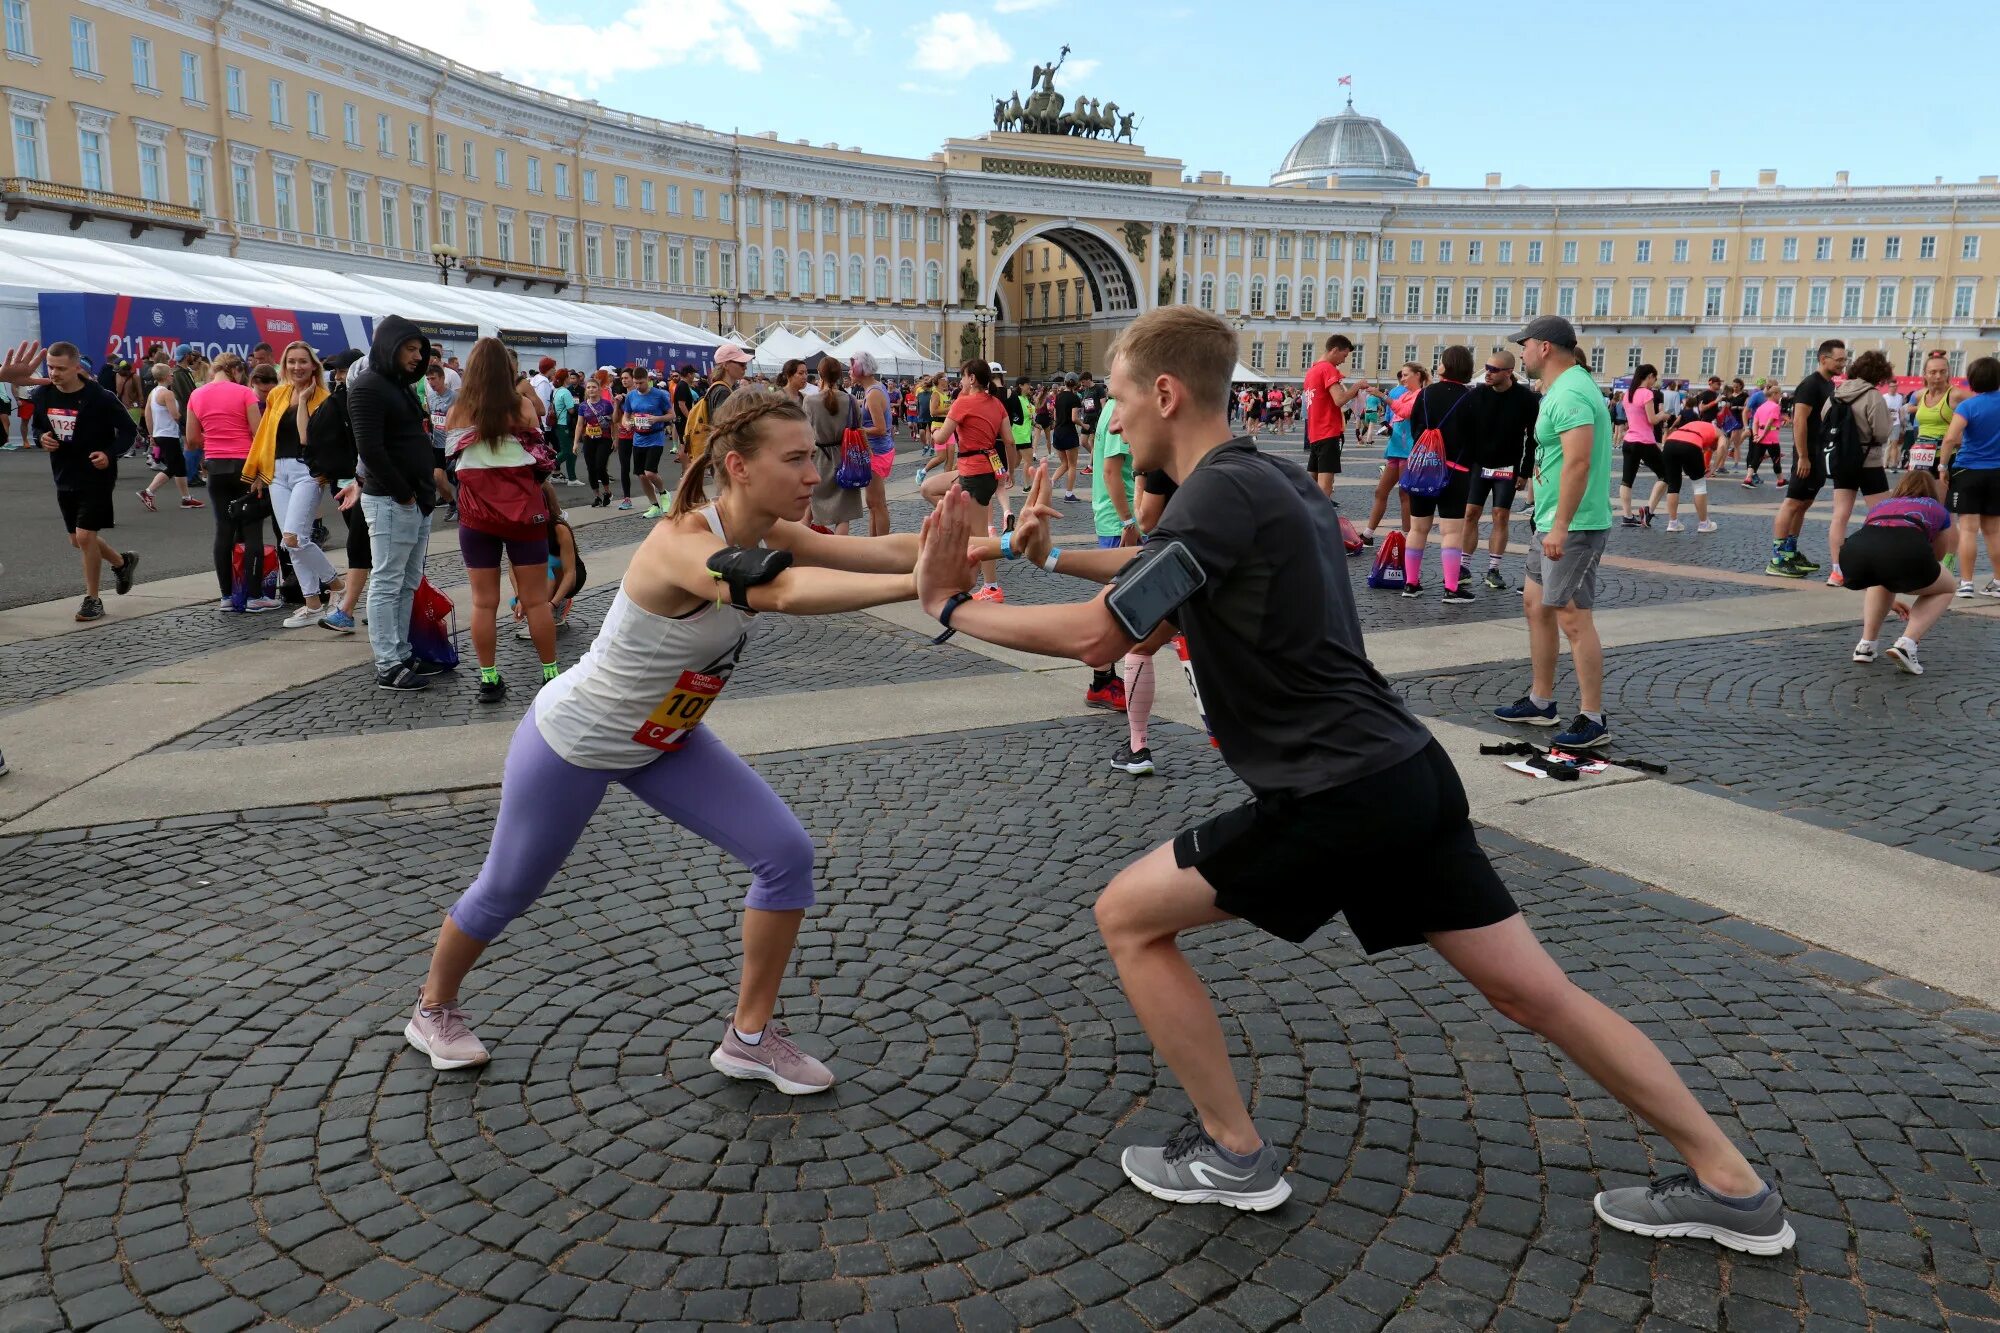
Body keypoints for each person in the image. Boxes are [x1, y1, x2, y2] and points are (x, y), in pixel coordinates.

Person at [913, 305, 1793, 1253]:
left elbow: (1103, 632)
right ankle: (1734, 1186)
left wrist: (953, 606)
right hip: (1406, 775)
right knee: (1539, 995)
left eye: (1122, 401)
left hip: (1334, 794)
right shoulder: (1270, 479)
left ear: (1165, 393)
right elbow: (1169, 570)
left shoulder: (1214, 494)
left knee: (1128, 916)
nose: (1113, 423)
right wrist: (1052, 555)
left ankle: (1231, 1151)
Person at [405, 389, 940, 1088]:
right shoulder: (683, 540)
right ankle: (432, 1008)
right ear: (739, 467)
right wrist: (919, 585)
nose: (815, 474)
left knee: (786, 854)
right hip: (578, 738)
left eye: (813, 456)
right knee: (508, 887)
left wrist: (993, 542)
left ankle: (749, 1036)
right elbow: (778, 594)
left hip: (667, 737)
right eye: (798, 458)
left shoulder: (766, 530)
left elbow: (872, 550)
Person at [1491, 316, 1614, 751]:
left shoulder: (1574, 392)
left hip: (1574, 525)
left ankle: (1593, 718)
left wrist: (1560, 525)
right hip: (1549, 520)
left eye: (1523, 345)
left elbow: (1579, 462)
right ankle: (1542, 701)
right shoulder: (1560, 389)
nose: (1519, 353)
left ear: (1544, 347)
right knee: (1536, 606)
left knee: (1573, 618)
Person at [445, 338, 560, 703]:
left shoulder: (458, 411)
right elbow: (542, 459)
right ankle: (550, 673)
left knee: (483, 602)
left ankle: (489, 678)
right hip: (524, 515)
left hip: (477, 517)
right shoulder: (523, 407)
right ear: (508, 370)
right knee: (537, 600)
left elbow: (453, 464)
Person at [350, 316, 444, 692]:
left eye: (419, 350)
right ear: (390, 347)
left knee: (406, 581)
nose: (416, 356)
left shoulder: (399, 385)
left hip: (414, 499)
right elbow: (369, 448)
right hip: (393, 500)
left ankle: (402, 652)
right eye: (410, 349)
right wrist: (403, 492)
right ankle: (388, 663)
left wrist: (419, 494)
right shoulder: (368, 387)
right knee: (388, 581)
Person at [29, 342, 140, 622]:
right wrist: (41, 437)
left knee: (85, 536)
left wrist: (109, 454)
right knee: (76, 540)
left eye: (61, 368)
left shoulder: (99, 396)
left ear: (77, 367)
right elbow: (38, 426)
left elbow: (128, 430)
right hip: (64, 473)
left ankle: (93, 599)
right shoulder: (43, 394)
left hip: (96, 473)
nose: (54, 373)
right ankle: (122, 562)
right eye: (51, 367)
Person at [242, 341, 344, 628]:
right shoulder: (277, 393)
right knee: (293, 543)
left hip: (306, 472)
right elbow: (264, 434)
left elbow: (308, 440)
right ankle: (312, 603)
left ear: (314, 365)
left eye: (302, 361)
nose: (296, 367)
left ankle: (336, 584)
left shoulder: (324, 398)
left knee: (293, 538)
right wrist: (261, 470)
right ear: (284, 365)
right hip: (277, 471)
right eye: (291, 362)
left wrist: (305, 401)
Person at [186, 353, 277, 613]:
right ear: (236, 370)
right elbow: (257, 432)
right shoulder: (244, 393)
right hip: (245, 465)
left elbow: (191, 440)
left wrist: (215, 439)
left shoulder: (197, 395)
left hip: (215, 466)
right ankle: (254, 596)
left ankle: (226, 595)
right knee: (252, 529)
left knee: (223, 529)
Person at [1845, 470, 1956, 674]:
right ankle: (1907, 643)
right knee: (1947, 587)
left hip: (1854, 555)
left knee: (1881, 574)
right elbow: (1938, 556)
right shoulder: (1937, 509)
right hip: (1903, 552)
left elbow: (1874, 544)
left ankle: (1866, 645)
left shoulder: (1881, 505)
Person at [923, 360, 1012, 600]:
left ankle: (992, 587)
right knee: (928, 488)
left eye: (962, 377)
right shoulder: (996, 404)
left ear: (971, 378)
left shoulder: (962, 403)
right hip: (980, 468)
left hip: (974, 472)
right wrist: (1010, 471)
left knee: (981, 534)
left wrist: (933, 431)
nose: (960, 381)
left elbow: (942, 435)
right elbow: (1009, 441)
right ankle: (958, 525)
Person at [1400, 346, 1478, 603]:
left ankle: (1411, 584)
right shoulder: (1470, 398)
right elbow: (1474, 438)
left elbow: (1416, 430)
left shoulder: (1425, 394)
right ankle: (1451, 588)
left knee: (1417, 528)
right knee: (1452, 532)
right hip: (1457, 471)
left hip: (1425, 469)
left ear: (1446, 365)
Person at [1769, 339, 1848, 577]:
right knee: (1792, 501)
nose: (1843, 364)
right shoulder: (1810, 385)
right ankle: (1777, 558)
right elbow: (1800, 420)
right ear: (1824, 359)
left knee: (1804, 504)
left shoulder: (1828, 384)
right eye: (1840, 360)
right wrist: (1802, 456)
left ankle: (1791, 552)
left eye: (1845, 359)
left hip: (1818, 453)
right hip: (1807, 454)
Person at [1461, 350, 1539, 589]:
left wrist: (1524, 472)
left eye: (1494, 370)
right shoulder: (1476, 395)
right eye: (1487, 367)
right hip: (1478, 464)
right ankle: (1463, 566)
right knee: (1471, 513)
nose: (1488, 373)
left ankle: (1493, 569)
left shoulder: (1526, 399)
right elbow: (1465, 433)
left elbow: (1533, 439)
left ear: (1508, 373)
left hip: (1507, 466)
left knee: (1500, 516)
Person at [1821, 350, 1897, 588]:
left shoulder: (1837, 392)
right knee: (1883, 515)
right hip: (1869, 461)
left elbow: (1824, 419)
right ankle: (1878, 565)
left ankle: (1836, 571)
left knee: (1839, 515)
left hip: (1842, 459)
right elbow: (1882, 433)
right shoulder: (1873, 395)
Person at [310, 349, 368, 634]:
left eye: (343, 371)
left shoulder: (356, 399)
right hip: (347, 481)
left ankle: (347, 610)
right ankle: (383, 605)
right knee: (366, 548)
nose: (339, 377)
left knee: (362, 546)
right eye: (336, 372)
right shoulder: (336, 400)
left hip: (365, 482)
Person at [1940, 354, 2000, 600]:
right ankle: (1998, 582)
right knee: (1994, 532)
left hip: (1968, 470)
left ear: (1972, 380)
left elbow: (1952, 438)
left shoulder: (1968, 406)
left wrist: (1943, 465)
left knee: (1967, 529)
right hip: (1997, 472)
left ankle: (1966, 583)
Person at [1362, 363, 1424, 545]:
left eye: (1406, 375)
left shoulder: (1421, 395)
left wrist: (1382, 395)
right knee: (1380, 491)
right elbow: (1394, 416)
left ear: (1418, 375)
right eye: (1402, 375)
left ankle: (1407, 537)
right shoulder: (1405, 394)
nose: (1402, 378)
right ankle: (1368, 534)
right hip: (1396, 449)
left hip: (1408, 450)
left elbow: (1405, 412)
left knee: (1405, 495)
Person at [804, 356, 863, 534]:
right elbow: (858, 428)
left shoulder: (809, 401)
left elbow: (805, 430)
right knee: (842, 515)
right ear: (840, 374)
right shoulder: (851, 400)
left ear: (820, 374)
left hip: (818, 459)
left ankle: (800, 548)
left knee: (809, 508)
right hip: (846, 458)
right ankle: (839, 556)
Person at [1301, 335, 1364, 501]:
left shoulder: (1311, 371)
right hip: (1328, 431)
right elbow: (1339, 399)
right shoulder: (1327, 369)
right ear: (1334, 350)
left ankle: (1307, 517)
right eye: (1344, 356)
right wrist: (1357, 386)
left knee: (1311, 482)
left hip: (1315, 433)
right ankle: (1322, 522)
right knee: (1325, 486)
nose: (1343, 361)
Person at [137, 363, 202, 512]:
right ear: (166, 376)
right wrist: (192, 425)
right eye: (171, 374)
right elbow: (176, 415)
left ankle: (186, 498)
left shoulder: (153, 393)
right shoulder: (167, 394)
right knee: (174, 467)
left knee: (179, 467)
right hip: (169, 435)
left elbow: (148, 415)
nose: (173, 376)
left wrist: (152, 434)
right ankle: (148, 492)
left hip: (161, 434)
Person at [620, 365, 676, 519]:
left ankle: (664, 493)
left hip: (655, 437)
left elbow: (671, 415)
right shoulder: (631, 396)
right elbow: (626, 415)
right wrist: (626, 422)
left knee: (650, 472)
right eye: (636, 383)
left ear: (648, 381)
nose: (638, 386)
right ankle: (654, 505)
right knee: (641, 475)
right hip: (638, 438)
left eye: (641, 383)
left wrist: (657, 418)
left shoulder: (659, 395)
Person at [850, 353, 896, 538]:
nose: (849, 371)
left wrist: (860, 431)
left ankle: (882, 545)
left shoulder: (873, 394)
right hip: (878, 450)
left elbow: (881, 428)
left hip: (877, 452)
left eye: (852, 367)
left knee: (877, 503)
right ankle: (874, 542)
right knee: (873, 504)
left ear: (861, 369)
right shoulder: (874, 389)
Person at [1651, 414, 1721, 534]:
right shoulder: (1720, 433)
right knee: (1699, 484)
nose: (1712, 449)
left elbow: (1693, 445)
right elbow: (1723, 447)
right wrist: (1714, 468)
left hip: (1670, 443)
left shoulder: (1698, 426)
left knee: (1673, 484)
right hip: (1691, 445)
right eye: (1712, 448)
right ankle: (1704, 524)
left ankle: (1673, 523)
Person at [1618, 365, 1667, 525]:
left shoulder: (1627, 395)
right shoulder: (1647, 393)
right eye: (1655, 378)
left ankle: (1627, 515)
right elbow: (1652, 420)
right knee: (1666, 475)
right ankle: (1648, 510)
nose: (1654, 381)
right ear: (1650, 376)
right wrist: (1664, 415)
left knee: (1627, 480)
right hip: (1644, 441)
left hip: (1629, 441)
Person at [1908, 351, 1961, 480]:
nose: (1938, 376)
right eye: (1933, 372)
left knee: (1940, 497)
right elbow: (1907, 409)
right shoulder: (1920, 394)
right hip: (1920, 454)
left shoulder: (1955, 394)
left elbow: (1982, 404)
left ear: (1948, 373)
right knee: (1919, 497)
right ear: (1925, 374)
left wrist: (1962, 434)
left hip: (1944, 456)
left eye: (1943, 371)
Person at [578, 371, 616, 508]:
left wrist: (615, 438)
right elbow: (579, 424)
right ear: (586, 390)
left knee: (600, 466)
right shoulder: (583, 406)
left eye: (593, 387)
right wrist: (575, 442)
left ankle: (607, 492)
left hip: (604, 439)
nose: (591, 390)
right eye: (588, 388)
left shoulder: (606, 404)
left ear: (599, 389)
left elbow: (613, 422)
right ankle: (597, 496)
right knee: (591, 468)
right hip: (589, 439)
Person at [1051, 372, 1084, 500]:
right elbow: (1074, 418)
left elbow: (1054, 416)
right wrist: (1085, 426)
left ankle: (1050, 482)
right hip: (1069, 433)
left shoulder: (1058, 396)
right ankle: (1069, 494)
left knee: (1064, 464)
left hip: (1058, 432)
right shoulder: (1074, 398)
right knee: (1072, 465)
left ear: (1064, 382)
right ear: (1075, 384)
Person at [1743, 390, 1785, 488]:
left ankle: (1748, 479)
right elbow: (1770, 422)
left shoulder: (1761, 407)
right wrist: (1762, 436)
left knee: (1755, 459)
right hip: (1771, 437)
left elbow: (1755, 422)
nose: (1780, 396)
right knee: (1776, 460)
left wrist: (1756, 435)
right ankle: (1780, 481)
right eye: (1779, 394)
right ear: (1774, 394)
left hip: (1760, 436)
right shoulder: (1775, 407)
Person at [549, 370, 578, 486]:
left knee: (572, 452)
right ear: (565, 379)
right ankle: (548, 466)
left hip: (558, 424)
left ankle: (572, 478)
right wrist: (578, 406)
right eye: (569, 377)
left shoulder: (556, 391)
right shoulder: (565, 392)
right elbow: (571, 410)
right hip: (565, 424)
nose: (570, 379)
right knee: (567, 451)